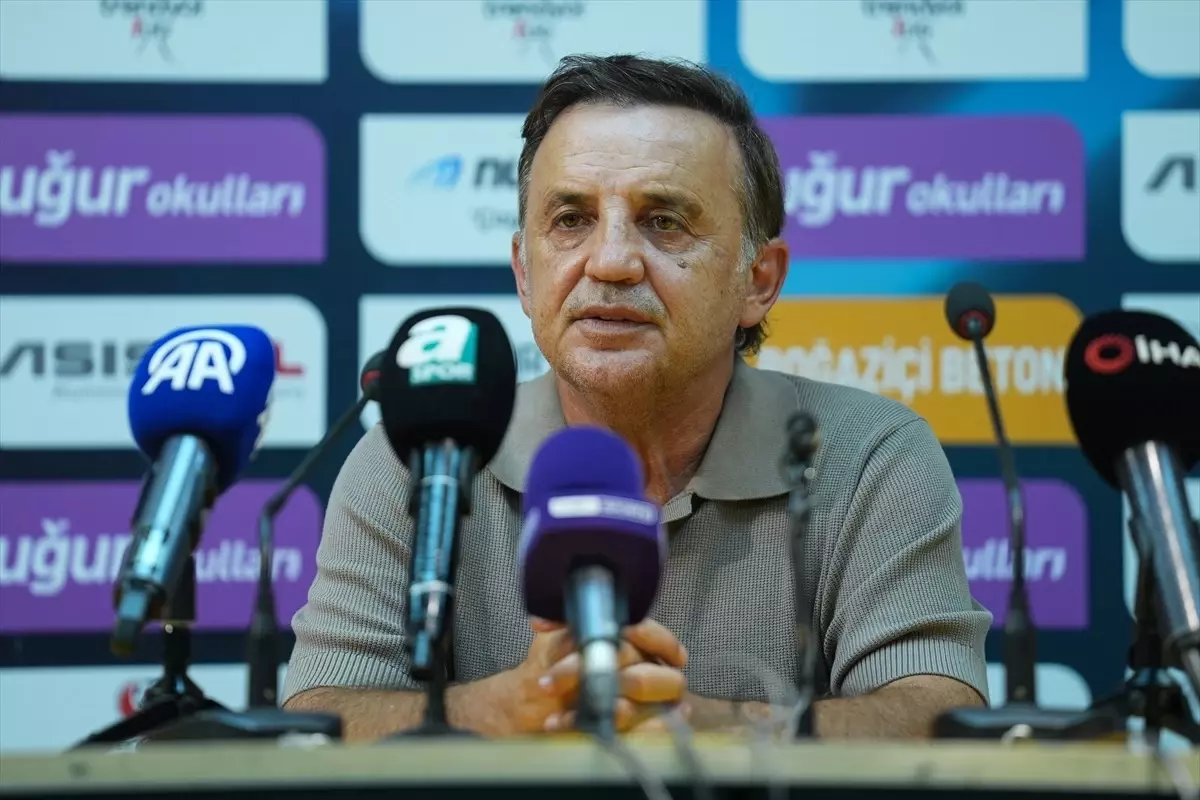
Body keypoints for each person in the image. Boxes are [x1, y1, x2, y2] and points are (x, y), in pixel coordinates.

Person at [282, 54, 991, 740]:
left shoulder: (868, 456)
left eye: (664, 221)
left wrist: (701, 727)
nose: (612, 261)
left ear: (759, 280)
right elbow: (320, 716)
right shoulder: (422, 456)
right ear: (525, 273)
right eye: (571, 220)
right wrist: (501, 712)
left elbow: (934, 714)